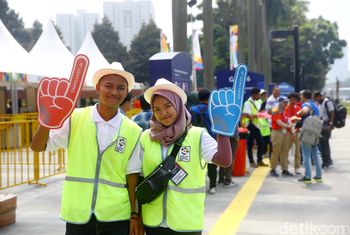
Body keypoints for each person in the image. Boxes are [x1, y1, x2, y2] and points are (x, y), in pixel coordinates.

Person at [31, 62, 142, 235]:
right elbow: (37, 147)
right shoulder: (75, 117)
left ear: (126, 92)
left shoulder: (134, 130)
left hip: (115, 215)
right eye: (109, 86)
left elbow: (132, 176)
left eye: (121, 88)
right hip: (78, 212)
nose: (114, 92)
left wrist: (135, 215)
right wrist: (46, 120)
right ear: (98, 87)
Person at [140, 78, 233, 234]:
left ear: (178, 105)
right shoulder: (145, 138)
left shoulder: (198, 136)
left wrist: (223, 130)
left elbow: (224, 160)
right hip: (152, 224)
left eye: (168, 106)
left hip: (186, 224)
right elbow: (139, 177)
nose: (163, 113)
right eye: (156, 109)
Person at [190, 89, 218, 194]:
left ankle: (196, 183)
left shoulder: (192, 109)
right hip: (210, 138)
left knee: (195, 162)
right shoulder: (212, 110)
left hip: (194, 139)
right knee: (212, 163)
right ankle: (212, 186)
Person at [297, 89, 322, 183]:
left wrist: (299, 113)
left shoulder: (306, 104)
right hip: (316, 131)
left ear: (304, 96)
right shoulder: (315, 105)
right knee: (316, 153)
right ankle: (318, 176)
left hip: (308, 132)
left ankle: (307, 176)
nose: (300, 97)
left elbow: (305, 110)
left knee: (306, 154)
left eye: (301, 95)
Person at [242, 87, 268, 168]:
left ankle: (259, 160)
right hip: (250, 125)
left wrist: (260, 114)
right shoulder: (247, 103)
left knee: (261, 143)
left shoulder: (255, 102)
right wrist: (258, 115)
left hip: (255, 125)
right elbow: (246, 114)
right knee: (250, 144)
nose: (259, 97)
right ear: (254, 94)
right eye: (258, 95)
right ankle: (251, 162)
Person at [270, 96, 294, 177]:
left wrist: (289, 124)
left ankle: (285, 169)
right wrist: (288, 126)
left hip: (285, 131)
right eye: (284, 102)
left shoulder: (285, 110)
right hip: (277, 132)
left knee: (285, 151)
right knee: (276, 151)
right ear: (279, 102)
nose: (286, 104)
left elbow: (289, 119)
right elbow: (278, 122)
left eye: (287, 102)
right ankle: (273, 169)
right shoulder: (275, 110)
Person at [314, 91, 335, 168]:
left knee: (325, 144)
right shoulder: (320, 103)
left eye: (317, 97)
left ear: (320, 96)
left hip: (327, 125)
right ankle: (326, 162)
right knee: (323, 144)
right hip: (322, 125)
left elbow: (332, 112)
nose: (317, 99)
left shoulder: (327, 102)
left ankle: (328, 162)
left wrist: (331, 124)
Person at [285, 93, 302, 174]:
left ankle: (297, 167)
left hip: (297, 130)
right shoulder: (285, 108)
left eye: (295, 99)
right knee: (285, 150)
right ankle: (285, 167)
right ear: (289, 99)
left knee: (297, 150)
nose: (293, 101)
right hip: (288, 131)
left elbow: (300, 119)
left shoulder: (298, 108)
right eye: (292, 99)